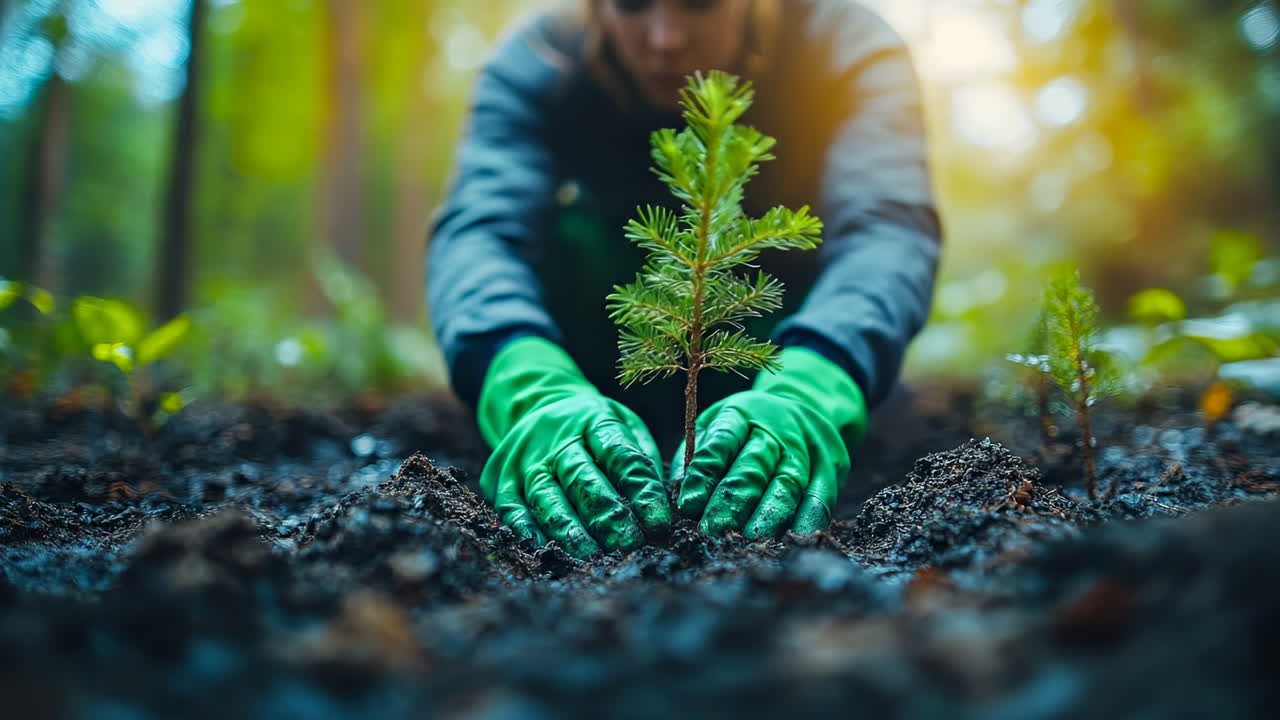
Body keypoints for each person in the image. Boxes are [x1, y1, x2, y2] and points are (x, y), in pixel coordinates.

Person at [427, 0, 942, 557]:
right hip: (597, 367)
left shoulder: (845, 47)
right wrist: (525, 381)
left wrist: (819, 377)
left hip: (776, 351)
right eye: (631, 4)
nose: (665, 37)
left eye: (700, 3)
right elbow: (480, 233)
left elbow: (887, 230)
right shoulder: (537, 61)